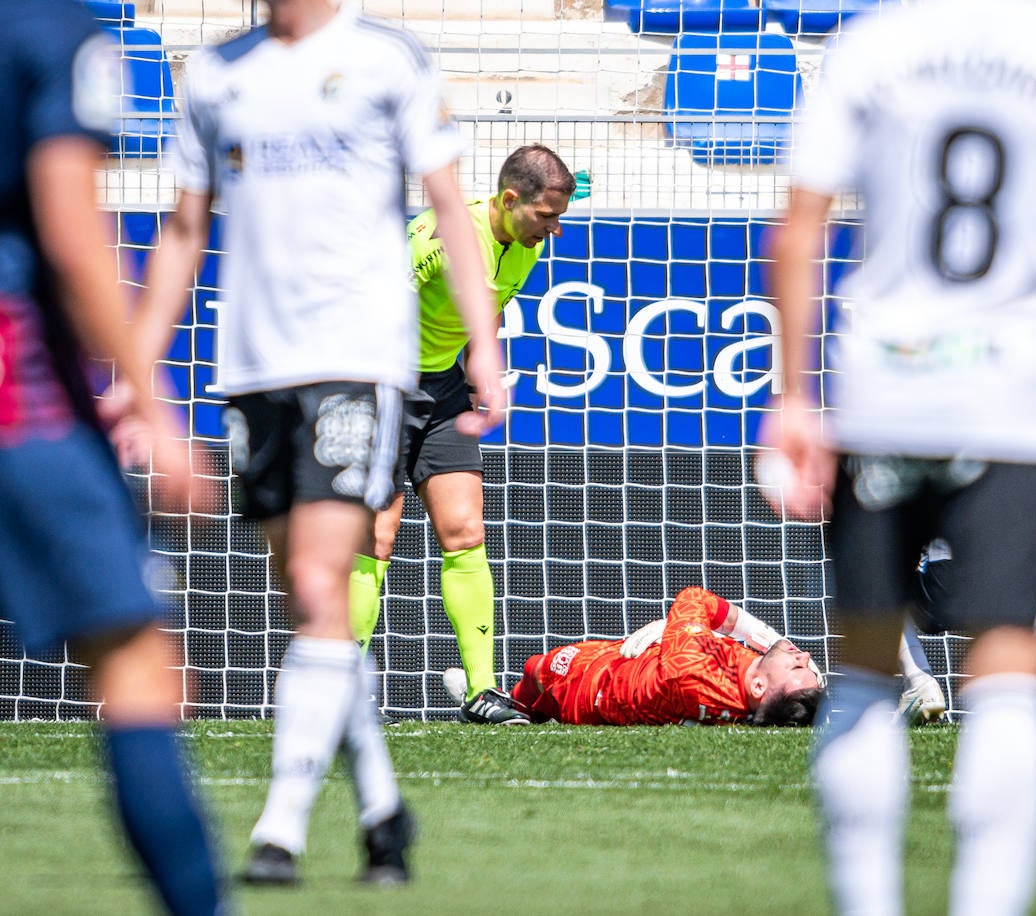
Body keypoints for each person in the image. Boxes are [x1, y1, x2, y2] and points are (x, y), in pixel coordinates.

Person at [761, 3, 1036, 914]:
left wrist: (794, 398)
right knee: (1003, 676)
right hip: (1008, 407)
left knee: (866, 669)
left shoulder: (871, 46)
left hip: (883, 391)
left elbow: (798, 232)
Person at [136, 0, 505, 886]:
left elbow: (451, 206)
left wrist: (486, 344)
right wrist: (138, 374)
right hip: (255, 371)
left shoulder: (388, 60)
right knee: (316, 610)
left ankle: (281, 830)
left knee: (316, 583)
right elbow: (186, 226)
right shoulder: (219, 73)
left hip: (358, 360)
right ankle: (382, 810)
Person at [0, 2, 224, 913]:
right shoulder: (55, 32)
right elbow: (72, 232)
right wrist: (155, 402)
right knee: (138, 664)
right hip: (22, 397)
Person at [350, 144, 575, 726]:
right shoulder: (440, 238)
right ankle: (341, 687)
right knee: (376, 537)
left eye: (559, 218)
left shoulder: (523, 243)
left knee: (464, 529)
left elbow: (488, 310)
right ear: (508, 199)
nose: (553, 231)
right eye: (546, 216)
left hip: (443, 390)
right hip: (379, 384)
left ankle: (482, 690)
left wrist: (480, 367)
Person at [482, 587, 822, 726]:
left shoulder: (690, 670)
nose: (804, 654)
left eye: (796, 663)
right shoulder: (753, 690)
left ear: (760, 687)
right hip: (641, 669)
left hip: (595, 682)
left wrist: (677, 626)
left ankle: (500, 709)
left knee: (538, 669)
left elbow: (693, 598)